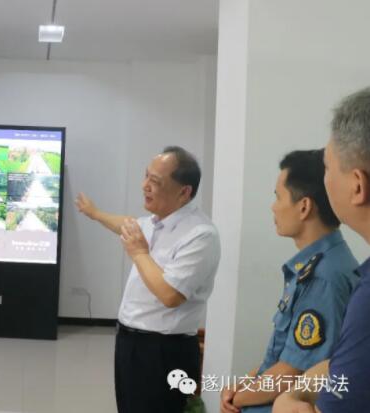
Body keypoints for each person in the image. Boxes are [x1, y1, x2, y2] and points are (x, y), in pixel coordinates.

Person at [76, 146, 221, 413]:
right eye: (146, 176)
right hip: (130, 343)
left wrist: (140, 252)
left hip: (164, 352)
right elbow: (126, 224)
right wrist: (95, 213)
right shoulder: (155, 221)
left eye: (155, 181)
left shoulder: (200, 234)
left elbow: (170, 295)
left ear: (184, 192)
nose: (145, 186)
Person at [220, 150, 358, 413]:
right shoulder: (318, 265)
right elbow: (283, 356)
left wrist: (236, 399)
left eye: (278, 197)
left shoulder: (323, 276)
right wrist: (243, 385)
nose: (273, 207)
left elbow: (294, 371)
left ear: (304, 207)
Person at [274, 88, 370, 412]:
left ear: (357, 185)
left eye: (327, 168)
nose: (273, 207)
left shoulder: (331, 276)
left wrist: (286, 401)